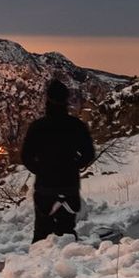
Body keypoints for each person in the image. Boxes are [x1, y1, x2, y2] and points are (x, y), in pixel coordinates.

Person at [20, 79, 96, 243]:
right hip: (69, 186)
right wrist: (73, 165)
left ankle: (37, 264)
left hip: (44, 187)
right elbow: (89, 154)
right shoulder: (76, 125)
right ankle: (69, 265)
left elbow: (26, 156)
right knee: (67, 232)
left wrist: (41, 169)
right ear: (66, 100)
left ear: (47, 99)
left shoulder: (38, 127)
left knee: (42, 232)